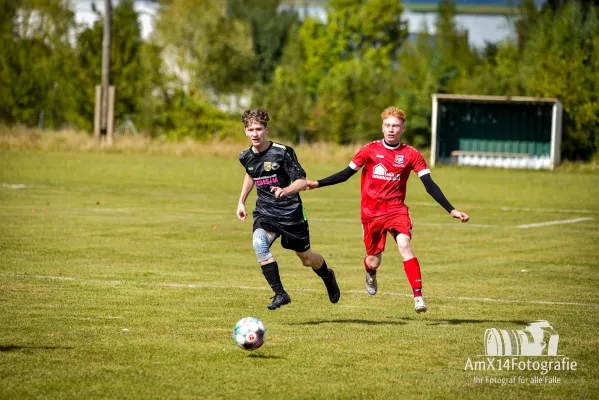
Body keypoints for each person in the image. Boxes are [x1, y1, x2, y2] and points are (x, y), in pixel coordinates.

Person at [306, 107, 469, 313]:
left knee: (404, 245)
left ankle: (418, 297)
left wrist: (451, 210)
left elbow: (429, 183)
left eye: (396, 126)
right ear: (382, 127)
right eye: (387, 125)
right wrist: (317, 183)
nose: (391, 130)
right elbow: (346, 174)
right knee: (373, 261)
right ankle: (370, 273)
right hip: (371, 213)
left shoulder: (411, 154)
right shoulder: (369, 150)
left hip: (396, 210)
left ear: (403, 129)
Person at [236, 108, 340, 310]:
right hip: (265, 212)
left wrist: (285, 190)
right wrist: (241, 201)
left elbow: (302, 181)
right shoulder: (245, 156)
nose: (255, 133)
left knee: (307, 260)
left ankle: (328, 275)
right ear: (246, 132)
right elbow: (251, 174)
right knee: (259, 243)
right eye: (250, 129)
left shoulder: (282, 152)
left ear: (267, 129)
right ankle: (280, 294)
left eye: (258, 129)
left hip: (290, 214)